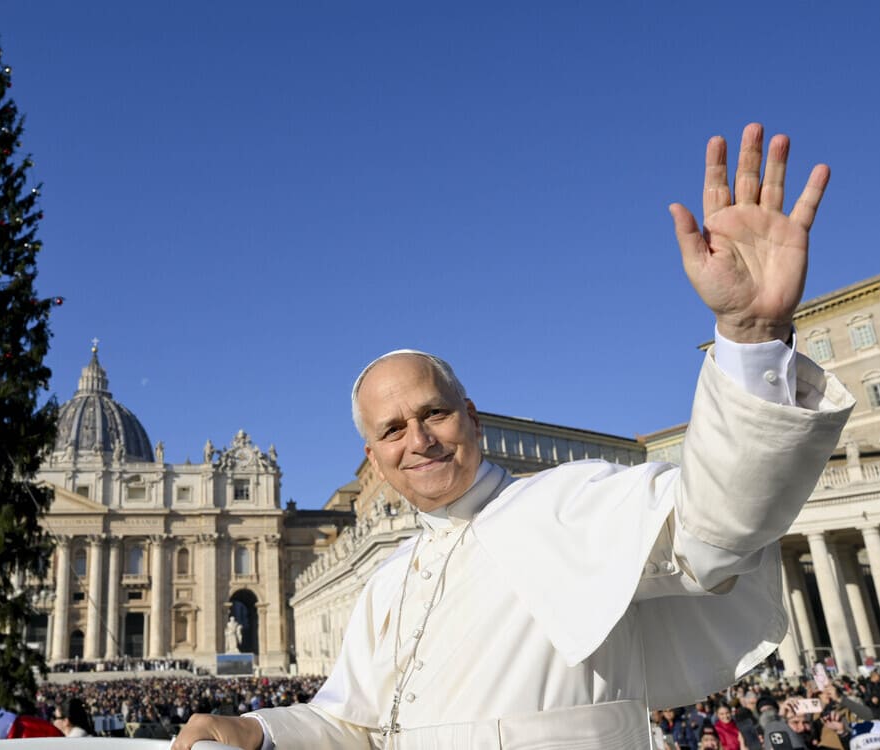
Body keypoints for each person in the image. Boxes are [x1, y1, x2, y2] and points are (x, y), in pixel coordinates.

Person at [172, 122, 854, 750]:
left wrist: (750, 337)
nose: (419, 440)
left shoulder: (574, 502)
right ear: (374, 457)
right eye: (391, 430)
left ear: (470, 417)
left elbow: (716, 527)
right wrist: (256, 730)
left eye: (432, 414)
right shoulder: (388, 584)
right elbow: (351, 722)